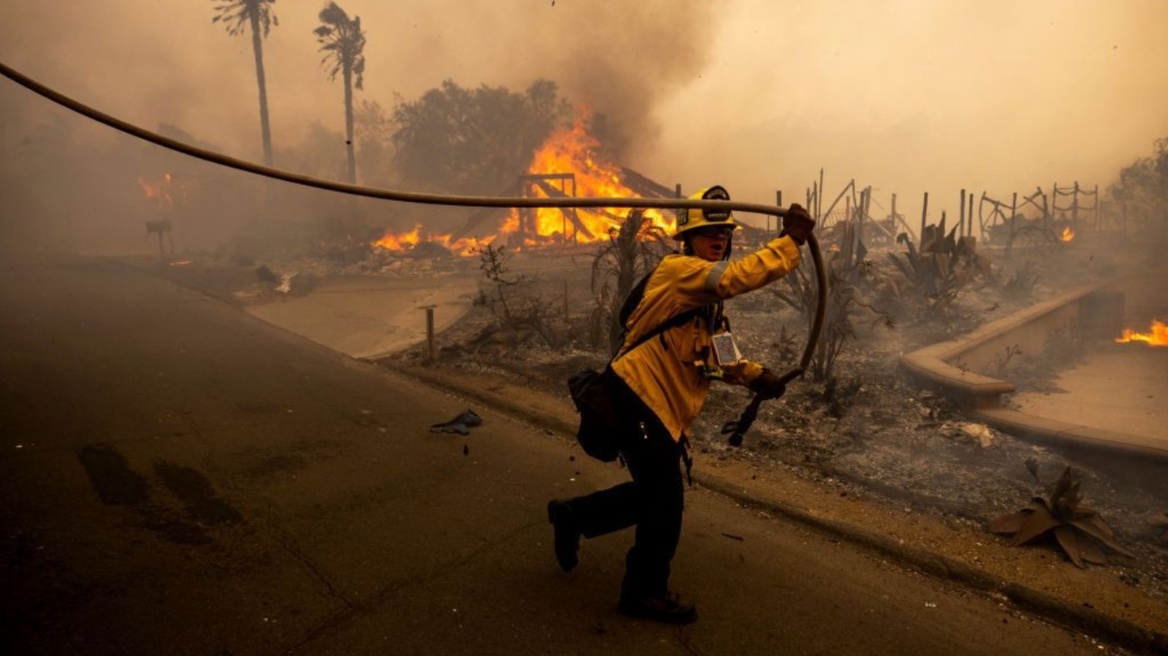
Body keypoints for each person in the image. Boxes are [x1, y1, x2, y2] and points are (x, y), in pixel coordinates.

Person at [547, 185, 816, 624]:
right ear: (688, 238)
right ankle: (643, 593)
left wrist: (755, 376)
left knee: (652, 495)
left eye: (725, 233)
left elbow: (720, 354)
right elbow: (736, 277)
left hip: (661, 408)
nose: (719, 239)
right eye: (710, 232)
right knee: (665, 501)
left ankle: (572, 515)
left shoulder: (706, 301)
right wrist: (791, 242)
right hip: (637, 395)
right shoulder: (680, 271)